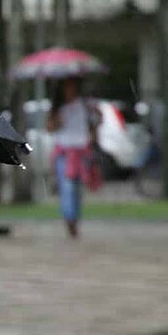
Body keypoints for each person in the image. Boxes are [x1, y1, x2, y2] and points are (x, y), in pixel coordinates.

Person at [46, 76, 101, 239]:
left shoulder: (85, 105)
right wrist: (56, 121)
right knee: (67, 186)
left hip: (81, 151)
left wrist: (94, 133)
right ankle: (69, 218)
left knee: (77, 188)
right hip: (64, 151)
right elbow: (49, 127)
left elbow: (96, 122)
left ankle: (74, 218)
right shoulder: (58, 108)